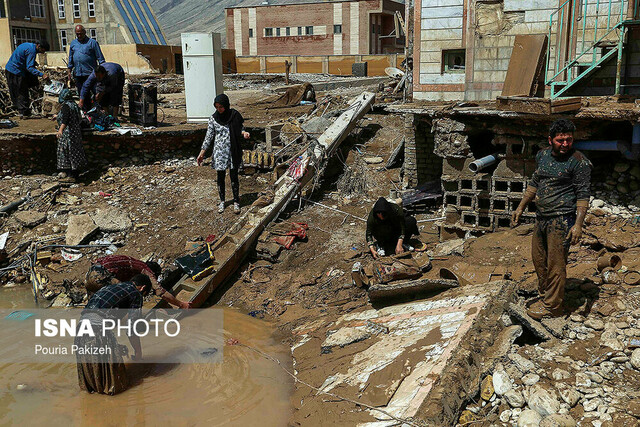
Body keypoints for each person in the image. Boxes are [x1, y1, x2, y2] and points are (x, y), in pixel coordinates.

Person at [512, 119, 591, 320]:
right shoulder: (542, 156)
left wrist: (578, 225)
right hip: (541, 217)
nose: (565, 144)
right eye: (560, 140)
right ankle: (545, 295)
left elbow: (583, 195)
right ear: (550, 140)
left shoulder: (579, 162)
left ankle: (553, 307)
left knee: (556, 264)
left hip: (562, 219)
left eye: (569, 140)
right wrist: (521, 206)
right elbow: (535, 183)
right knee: (539, 260)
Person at [76, 274, 151, 395]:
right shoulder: (136, 293)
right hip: (98, 330)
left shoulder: (112, 287)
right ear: (142, 288)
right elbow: (131, 329)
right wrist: (138, 353)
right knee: (116, 386)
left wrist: (116, 345)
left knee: (91, 384)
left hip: (81, 330)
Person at [197, 94, 250, 214]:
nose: (219, 109)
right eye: (216, 107)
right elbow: (208, 137)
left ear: (226, 105)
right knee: (220, 177)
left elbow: (240, 127)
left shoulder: (234, 115)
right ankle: (222, 201)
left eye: (221, 107)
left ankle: (236, 201)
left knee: (234, 176)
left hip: (233, 151)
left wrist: (244, 133)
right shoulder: (213, 119)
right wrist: (202, 153)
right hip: (220, 153)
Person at [84, 255, 191, 309]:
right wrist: (181, 304)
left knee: (95, 304)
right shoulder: (145, 270)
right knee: (125, 297)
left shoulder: (132, 265)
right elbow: (160, 292)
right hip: (102, 275)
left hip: (90, 274)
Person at [5, 40, 50, 118]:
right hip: (15, 71)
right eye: (43, 50)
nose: (42, 53)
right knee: (22, 91)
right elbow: (29, 68)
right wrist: (42, 75)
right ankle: (24, 112)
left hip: (11, 69)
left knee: (19, 90)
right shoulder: (32, 51)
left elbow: (24, 57)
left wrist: (34, 62)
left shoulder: (28, 45)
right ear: (39, 46)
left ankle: (22, 110)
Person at [55, 88, 87, 180]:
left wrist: (60, 130)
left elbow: (66, 119)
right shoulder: (74, 105)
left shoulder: (65, 106)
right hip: (76, 132)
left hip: (68, 134)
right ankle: (75, 172)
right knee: (75, 151)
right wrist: (57, 116)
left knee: (66, 151)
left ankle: (69, 173)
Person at [67, 25, 105, 97]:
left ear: (84, 32)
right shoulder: (73, 43)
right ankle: (85, 108)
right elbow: (70, 58)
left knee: (96, 94)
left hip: (91, 74)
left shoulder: (92, 43)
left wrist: (102, 73)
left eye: (80, 33)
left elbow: (101, 59)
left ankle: (98, 107)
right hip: (79, 75)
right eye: (77, 34)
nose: (79, 35)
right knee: (83, 95)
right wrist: (69, 70)